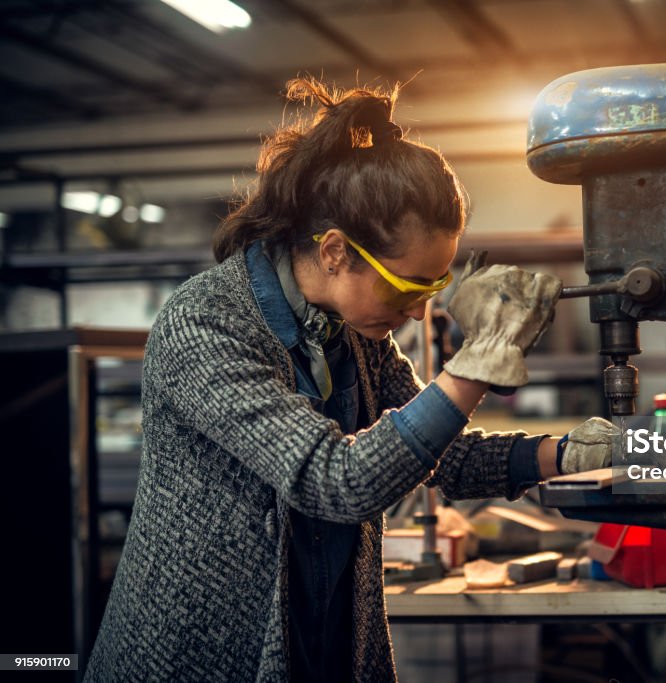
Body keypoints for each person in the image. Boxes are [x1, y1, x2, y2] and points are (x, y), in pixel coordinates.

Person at [84, 78, 615, 682]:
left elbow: (440, 452)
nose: (420, 311)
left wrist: (564, 455)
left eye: (435, 287)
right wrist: (473, 368)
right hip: (196, 659)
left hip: (321, 642)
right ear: (335, 251)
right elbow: (337, 483)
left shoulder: (352, 335)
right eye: (410, 286)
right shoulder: (205, 325)